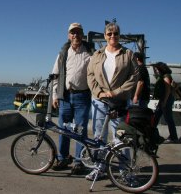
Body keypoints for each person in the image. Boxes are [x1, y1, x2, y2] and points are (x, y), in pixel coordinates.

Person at [86, 22, 138, 181]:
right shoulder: (97, 54)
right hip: (99, 101)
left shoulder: (128, 54)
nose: (112, 36)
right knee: (99, 136)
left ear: (119, 35)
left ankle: (124, 170)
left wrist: (115, 92)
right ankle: (99, 168)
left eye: (115, 33)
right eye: (109, 34)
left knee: (121, 137)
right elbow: (90, 75)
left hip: (119, 101)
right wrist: (100, 93)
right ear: (105, 36)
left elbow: (134, 76)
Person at [51, 22, 92, 175]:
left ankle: (79, 162)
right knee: (64, 129)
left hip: (83, 96)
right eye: (72, 32)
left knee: (80, 131)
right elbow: (55, 75)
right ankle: (63, 158)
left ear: (82, 34)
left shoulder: (90, 52)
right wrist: (55, 95)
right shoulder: (63, 53)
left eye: (78, 32)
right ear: (69, 35)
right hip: (66, 96)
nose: (75, 35)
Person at [152, 62, 178, 143]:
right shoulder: (163, 76)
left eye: (157, 69)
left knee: (168, 118)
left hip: (166, 99)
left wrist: (164, 101)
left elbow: (167, 90)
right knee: (156, 116)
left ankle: (173, 137)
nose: (156, 70)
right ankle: (151, 133)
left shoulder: (166, 77)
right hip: (164, 99)